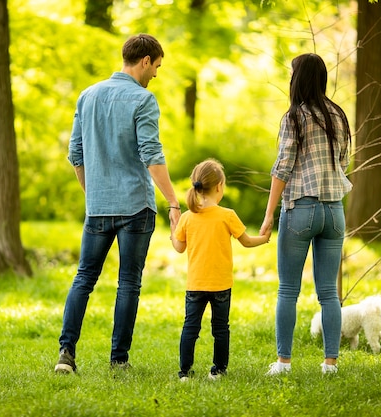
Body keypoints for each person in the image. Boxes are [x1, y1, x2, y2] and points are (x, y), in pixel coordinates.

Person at [55, 34, 181, 374]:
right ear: (145, 61)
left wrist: (92, 191)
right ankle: (118, 361)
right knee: (129, 281)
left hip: (98, 207)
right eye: (157, 66)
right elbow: (152, 155)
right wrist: (173, 201)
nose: (156, 73)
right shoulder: (143, 100)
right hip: (136, 208)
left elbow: (75, 154)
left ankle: (66, 354)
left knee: (84, 277)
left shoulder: (88, 95)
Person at [259, 53, 352, 375]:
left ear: (298, 78)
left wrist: (269, 214)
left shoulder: (294, 117)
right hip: (334, 210)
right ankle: (330, 364)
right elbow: (343, 163)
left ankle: (284, 362)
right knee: (329, 292)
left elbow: (283, 167)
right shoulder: (338, 115)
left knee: (288, 289)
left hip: (301, 208)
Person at [171, 158, 271, 381]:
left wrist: (172, 229)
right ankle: (218, 370)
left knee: (190, 328)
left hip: (195, 285)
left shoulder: (187, 217)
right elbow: (246, 241)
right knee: (220, 329)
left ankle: (184, 373)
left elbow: (178, 247)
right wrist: (264, 238)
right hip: (221, 285)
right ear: (219, 187)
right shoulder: (227, 215)